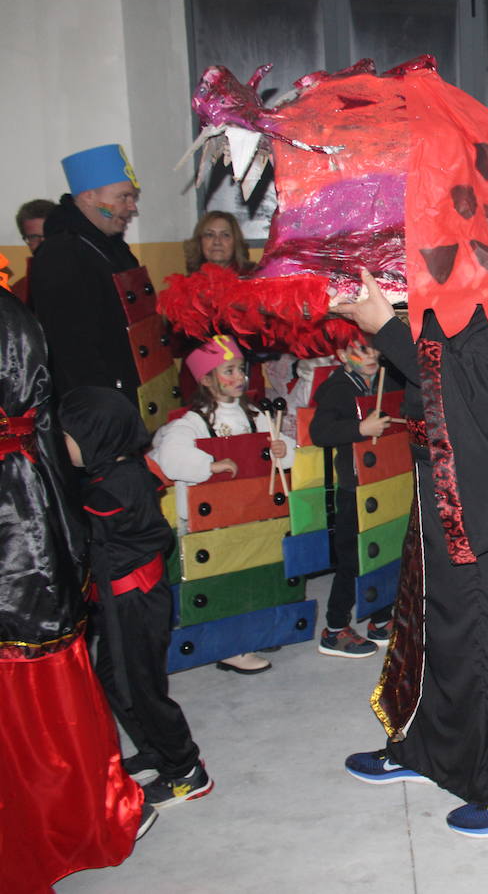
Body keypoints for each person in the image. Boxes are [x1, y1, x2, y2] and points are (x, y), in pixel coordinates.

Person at [336, 271, 488, 839]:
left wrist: (388, 331)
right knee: (440, 622)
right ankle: (430, 749)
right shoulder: (454, 272)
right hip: (439, 474)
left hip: (485, 491)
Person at [0, 286, 151, 891]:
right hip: (36, 517)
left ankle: (175, 767)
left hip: (22, 530)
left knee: (130, 674)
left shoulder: (115, 487)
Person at [60, 386, 213, 809]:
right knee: (114, 677)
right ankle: (155, 750)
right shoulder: (114, 471)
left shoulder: (116, 487)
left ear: (97, 436)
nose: (63, 445)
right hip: (121, 601)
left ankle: (185, 769)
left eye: (68, 436)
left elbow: (77, 523)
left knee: (141, 688)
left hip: (135, 600)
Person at [147, 336, 293, 675]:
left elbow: (279, 442)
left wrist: (284, 449)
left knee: (254, 573)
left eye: (241, 369)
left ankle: (255, 627)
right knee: (223, 583)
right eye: (229, 370)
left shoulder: (254, 414)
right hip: (212, 521)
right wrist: (208, 465)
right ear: (206, 379)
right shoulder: (193, 421)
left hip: (250, 512)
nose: (239, 377)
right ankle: (231, 645)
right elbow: (169, 455)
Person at [28, 145, 144, 406]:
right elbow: (73, 351)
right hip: (102, 403)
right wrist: (107, 412)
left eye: (133, 197)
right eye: (123, 197)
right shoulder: (61, 255)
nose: (131, 207)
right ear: (90, 196)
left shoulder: (113, 247)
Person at [309, 337, 396, 657]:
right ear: (342, 355)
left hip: (384, 481)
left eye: (374, 347)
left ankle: (381, 619)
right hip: (354, 487)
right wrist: (361, 428)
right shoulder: (339, 386)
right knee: (351, 560)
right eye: (361, 349)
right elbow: (320, 432)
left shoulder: (386, 378)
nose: (371, 355)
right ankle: (334, 629)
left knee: (385, 550)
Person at [10, 197, 56, 305]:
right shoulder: (20, 291)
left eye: (48, 235)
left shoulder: (85, 278)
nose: (42, 242)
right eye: (34, 237)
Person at [184, 210, 253, 274]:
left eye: (225, 235)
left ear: (236, 242)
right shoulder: (186, 284)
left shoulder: (254, 279)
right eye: (210, 235)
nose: (217, 242)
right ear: (199, 242)